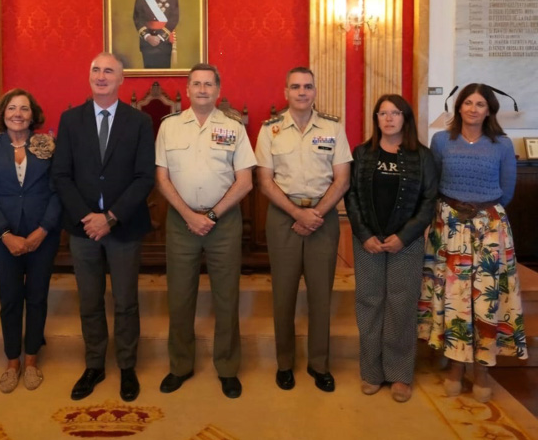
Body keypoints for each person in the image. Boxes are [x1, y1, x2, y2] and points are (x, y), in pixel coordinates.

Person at [51, 52, 155, 402]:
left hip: (123, 227)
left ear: (121, 79)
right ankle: (94, 364)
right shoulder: (71, 119)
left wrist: (110, 217)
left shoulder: (139, 122)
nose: (101, 75)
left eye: (109, 71)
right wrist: (88, 217)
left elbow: (144, 177)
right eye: (95, 69)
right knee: (90, 301)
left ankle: (127, 365)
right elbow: (61, 175)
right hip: (83, 229)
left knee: (126, 301)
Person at [418, 82, 527, 402]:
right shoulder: (441, 141)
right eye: (468, 103)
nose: (473, 109)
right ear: (459, 107)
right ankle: (455, 365)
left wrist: (479, 213)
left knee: (485, 300)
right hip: (449, 228)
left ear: (489, 109)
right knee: (454, 298)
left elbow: (507, 190)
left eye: (480, 104)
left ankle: (482, 370)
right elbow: (434, 182)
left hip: (488, 229)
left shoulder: (502, 144)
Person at [155, 63, 256, 399]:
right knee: (179, 297)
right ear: (187, 89)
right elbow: (162, 178)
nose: (202, 89)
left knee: (226, 297)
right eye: (196, 84)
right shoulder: (169, 127)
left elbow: (245, 181)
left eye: (208, 84)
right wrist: (189, 215)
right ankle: (180, 365)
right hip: (181, 222)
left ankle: (227, 367)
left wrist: (211, 215)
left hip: (223, 223)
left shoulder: (233, 127)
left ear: (218, 90)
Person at [254, 67, 351, 393]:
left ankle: (319, 364)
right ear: (286, 92)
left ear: (314, 91)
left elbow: (342, 179)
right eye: (295, 87)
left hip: (322, 217)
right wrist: (297, 213)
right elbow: (265, 181)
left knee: (321, 295)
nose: (301, 92)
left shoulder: (333, 127)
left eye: (307, 86)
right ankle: (284, 363)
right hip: (284, 216)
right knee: (283, 294)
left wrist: (315, 214)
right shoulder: (270, 130)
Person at [346, 94, 438, 403]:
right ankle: (371, 371)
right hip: (368, 242)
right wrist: (364, 234)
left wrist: (404, 236)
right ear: (376, 119)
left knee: (401, 305)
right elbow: (351, 196)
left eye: (395, 113)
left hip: (406, 243)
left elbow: (429, 201)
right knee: (369, 303)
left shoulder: (422, 156)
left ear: (405, 118)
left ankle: (399, 374)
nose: (388, 118)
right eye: (383, 113)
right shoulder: (362, 153)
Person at [0, 89, 61, 394]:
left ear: (32, 114)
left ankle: (32, 359)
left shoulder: (48, 145)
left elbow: (58, 191)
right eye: (12, 108)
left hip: (43, 235)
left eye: (24, 108)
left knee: (37, 297)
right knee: (10, 298)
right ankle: (12, 361)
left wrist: (43, 230)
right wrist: (5, 234)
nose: (18, 114)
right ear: (3, 113)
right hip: (4, 237)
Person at [132, 0, 179, 69]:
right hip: (147, 42)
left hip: (164, 41)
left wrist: (160, 37)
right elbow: (137, 18)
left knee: (164, 73)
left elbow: (174, 17)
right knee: (148, 73)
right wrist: (147, 36)